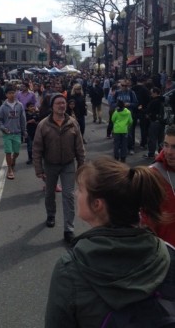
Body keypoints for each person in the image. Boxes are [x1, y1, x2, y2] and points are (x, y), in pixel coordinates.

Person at [45, 156, 172, 328]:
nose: (75, 193)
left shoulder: (70, 269)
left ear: (97, 204)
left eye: (81, 190)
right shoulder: (166, 254)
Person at [33, 92, 85, 243]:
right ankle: (51, 214)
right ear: (52, 107)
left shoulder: (72, 123)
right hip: (50, 165)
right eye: (58, 103)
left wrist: (81, 165)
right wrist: (39, 169)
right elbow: (37, 149)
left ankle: (69, 229)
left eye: (64, 103)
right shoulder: (43, 125)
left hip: (68, 164)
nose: (62, 105)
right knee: (50, 193)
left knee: (68, 195)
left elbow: (80, 146)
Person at [141, 124, 175, 247]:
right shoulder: (152, 175)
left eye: (174, 147)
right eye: (166, 145)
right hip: (164, 253)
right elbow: (145, 220)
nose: (169, 152)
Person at [0, 85, 27, 180]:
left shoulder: (20, 105)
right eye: (9, 93)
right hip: (7, 133)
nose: (12, 95)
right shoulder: (3, 107)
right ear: (6, 95)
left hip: (17, 132)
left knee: (16, 152)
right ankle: (9, 169)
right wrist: (3, 128)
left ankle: (13, 160)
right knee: (8, 152)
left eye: (13, 93)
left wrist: (24, 130)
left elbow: (23, 119)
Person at [143, 86, 165, 159]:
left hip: (154, 122)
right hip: (163, 122)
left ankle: (151, 154)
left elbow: (147, 111)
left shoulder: (154, 101)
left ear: (155, 93)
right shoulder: (164, 100)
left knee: (152, 138)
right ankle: (161, 153)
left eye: (152, 93)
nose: (151, 94)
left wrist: (142, 110)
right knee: (161, 139)